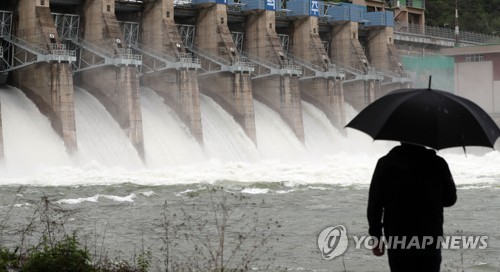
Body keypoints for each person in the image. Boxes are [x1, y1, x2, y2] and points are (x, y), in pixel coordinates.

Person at [367, 142, 457, 272]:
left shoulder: (385, 163)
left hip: (397, 236)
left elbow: (375, 203)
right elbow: (450, 200)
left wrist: (376, 236)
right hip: (429, 236)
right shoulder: (438, 163)